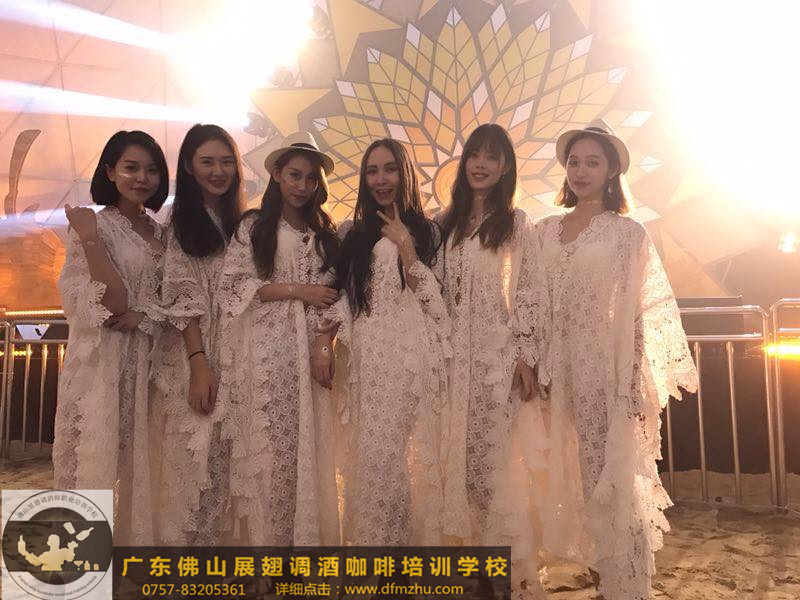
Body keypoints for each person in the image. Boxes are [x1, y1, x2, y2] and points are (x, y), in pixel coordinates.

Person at [535, 119, 698, 599]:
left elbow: (644, 310)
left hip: (604, 370)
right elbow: (529, 299)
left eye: (592, 162)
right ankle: (594, 567)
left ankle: (625, 583)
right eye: (574, 162)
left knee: (612, 476)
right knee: (567, 471)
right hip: (553, 371)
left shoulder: (628, 233)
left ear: (611, 171)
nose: (580, 171)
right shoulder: (543, 230)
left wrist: (632, 380)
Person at [438, 124, 547, 597]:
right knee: (456, 464)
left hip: (494, 360)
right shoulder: (445, 224)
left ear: (505, 168)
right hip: (450, 361)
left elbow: (529, 291)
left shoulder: (516, 223)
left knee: (493, 466)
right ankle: (469, 567)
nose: (480, 164)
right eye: (474, 155)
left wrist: (525, 355)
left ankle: (500, 573)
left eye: (491, 157)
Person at [216, 131, 340, 545]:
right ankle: (268, 553)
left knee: (306, 449)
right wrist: (298, 290)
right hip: (266, 353)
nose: (302, 186)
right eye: (294, 175)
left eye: (310, 178)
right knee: (269, 453)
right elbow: (234, 287)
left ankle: (303, 547)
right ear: (277, 175)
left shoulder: (326, 233)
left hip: (311, 354)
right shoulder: (254, 226)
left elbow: (333, 297)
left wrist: (324, 344)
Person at [324, 139, 449, 545]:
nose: (381, 179)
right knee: (370, 455)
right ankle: (377, 551)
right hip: (365, 358)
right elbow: (344, 297)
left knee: (395, 455)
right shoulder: (353, 232)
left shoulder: (429, 230)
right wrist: (324, 343)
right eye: (372, 171)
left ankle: (396, 553)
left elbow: (434, 301)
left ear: (405, 173)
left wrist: (406, 243)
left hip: (409, 357)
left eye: (390, 169)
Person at [54, 130, 169, 545]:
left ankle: (130, 553)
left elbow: (169, 301)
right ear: (110, 171)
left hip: (147, 362)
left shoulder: (162, 234)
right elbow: (111, 300)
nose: (142, 178)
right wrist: (89, 237)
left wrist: (145, 316)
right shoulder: (93, 225)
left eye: (151, 170)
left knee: (140, 460)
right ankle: (78, 559)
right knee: (93, 456)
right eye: (131, 167)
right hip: (101, 362)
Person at [150, 124, 243, 544]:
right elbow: (182, 297)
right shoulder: (180, 224)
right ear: (188, 166)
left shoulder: (239, 222)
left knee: (227, 460)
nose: (218, 171)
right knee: (193, 458)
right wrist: (198, 362)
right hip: (197, 352)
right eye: (207, 162)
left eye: (226, 162)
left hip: (236, 350)